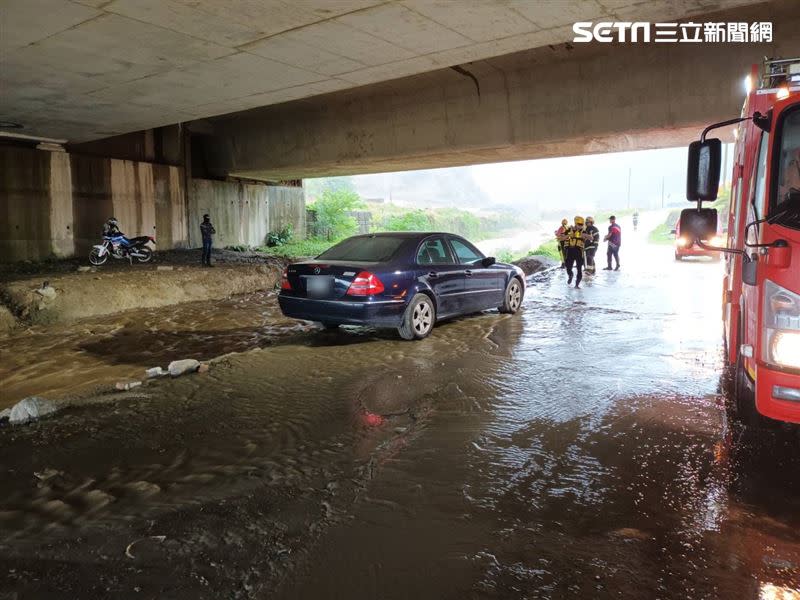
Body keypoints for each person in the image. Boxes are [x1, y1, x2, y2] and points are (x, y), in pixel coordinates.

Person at [558, 216, 590, 288]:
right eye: (579, 224)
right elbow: (561, 238)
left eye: (582, 224)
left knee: (579, 269)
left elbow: (591, 237)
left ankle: (577, 285)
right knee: (568, 267)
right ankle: (570, 275)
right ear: (575, 223)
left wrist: (584, 235)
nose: (581, 226)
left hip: (579, 252)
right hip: (570, 251)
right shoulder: (569, 229)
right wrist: (569, 235)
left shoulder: (583, 231)